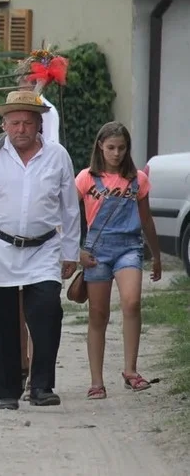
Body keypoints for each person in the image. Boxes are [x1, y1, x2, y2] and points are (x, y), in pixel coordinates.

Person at [0, 89, 81, 410]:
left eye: (27, 123)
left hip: (42, 249)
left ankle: (41, 385)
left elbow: (69, 208)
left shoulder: (57, 155)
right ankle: (6, 390)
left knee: (47, 314)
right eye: (14, 123)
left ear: (39, 124)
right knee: (0, 322)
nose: (20, 129)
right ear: (4, 125)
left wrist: (71, 252)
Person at [76, 122, 162, 399]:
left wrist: (157, 255)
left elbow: (146, 219)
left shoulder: (138, 179)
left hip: (129, 247)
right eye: (111, 147)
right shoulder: (86, 179)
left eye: (121, 148)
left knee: (132, 301)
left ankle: (131, 370)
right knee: (98, 314)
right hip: (97, 250)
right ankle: (96, 380)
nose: (116, 153)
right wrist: (76, 250)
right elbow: (67, 212)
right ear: (100, 146)